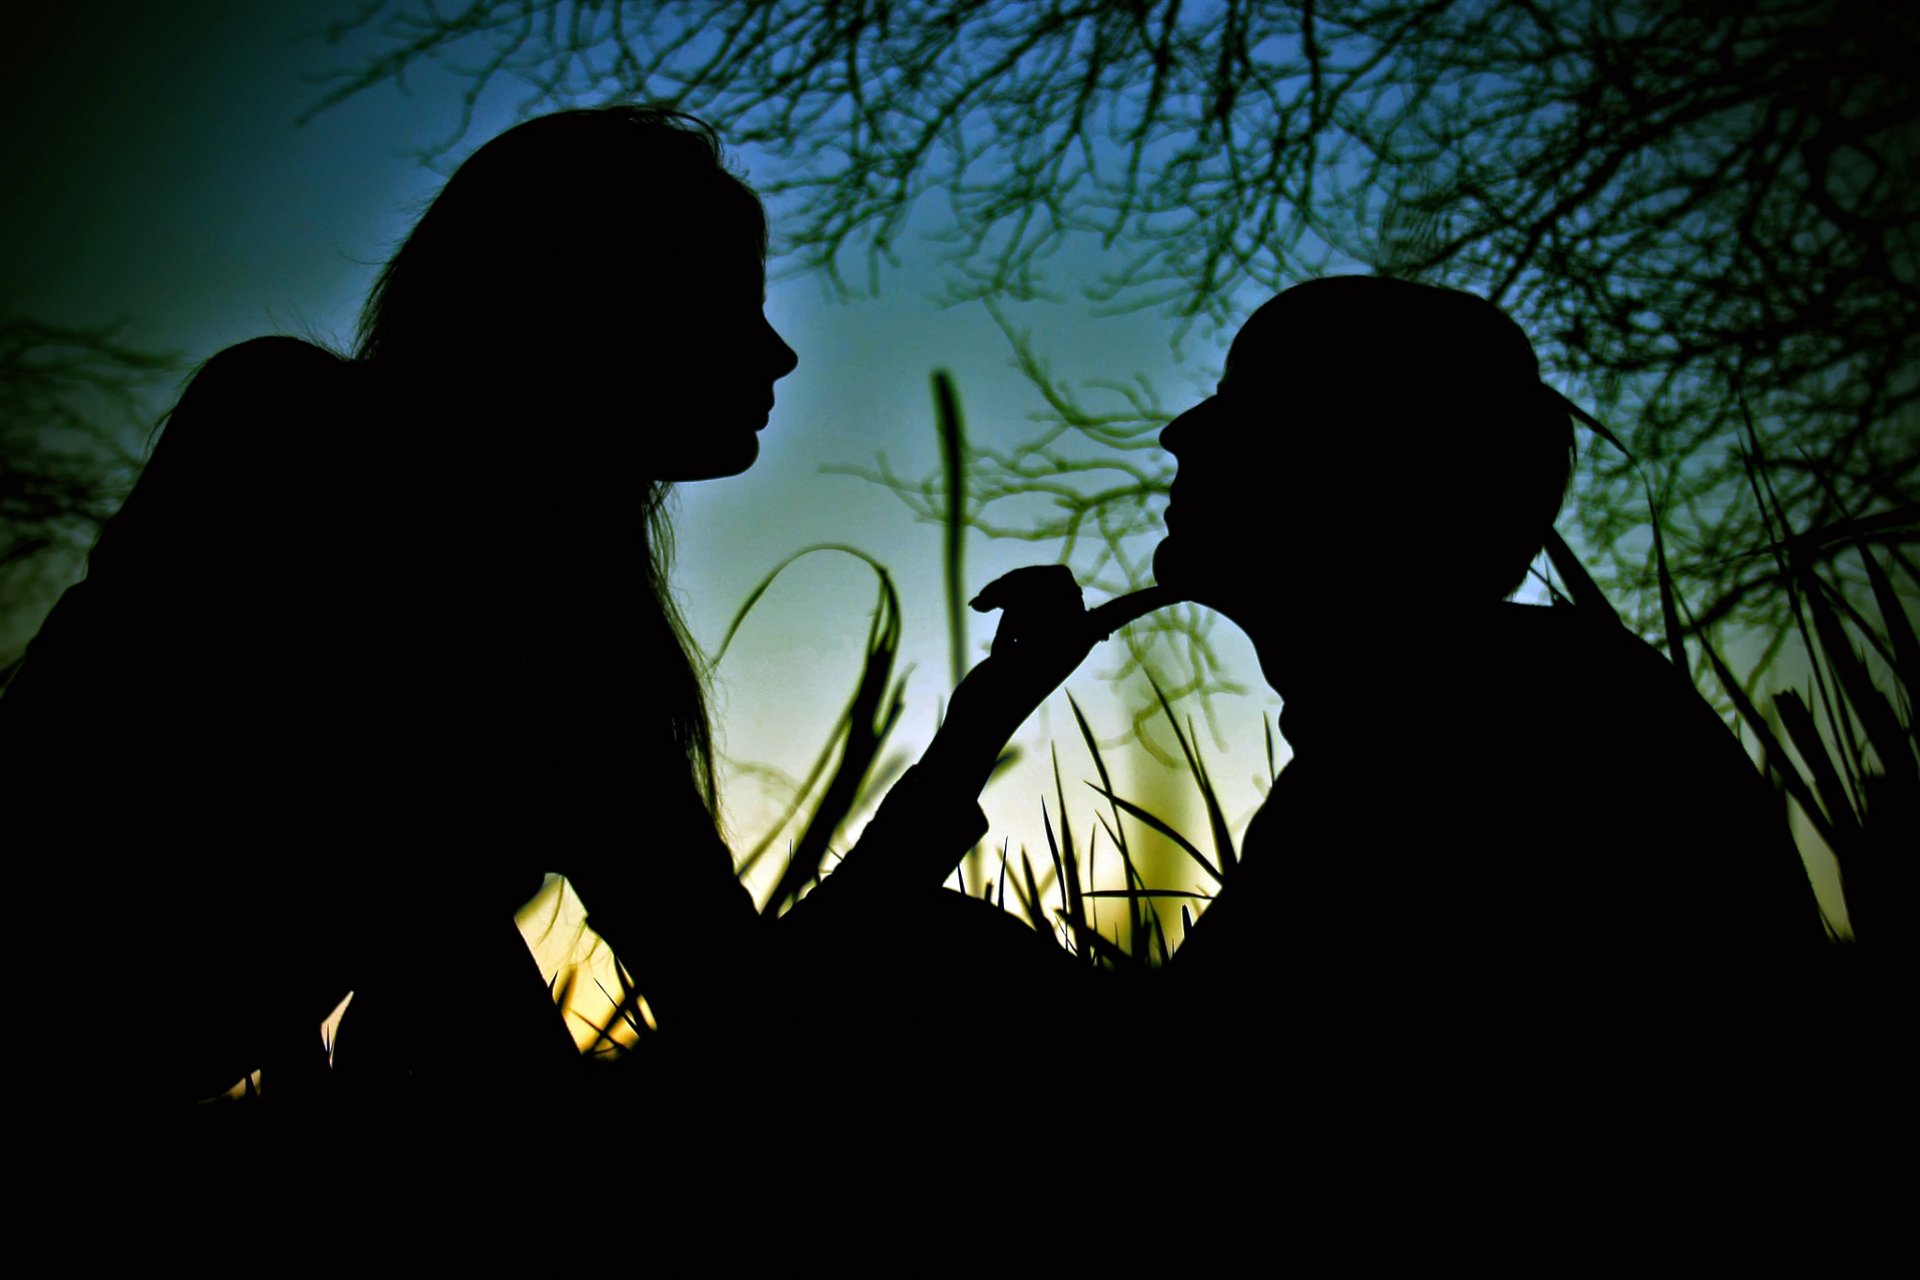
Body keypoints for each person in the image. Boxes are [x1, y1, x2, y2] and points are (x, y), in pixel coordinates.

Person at [0, 107, 1098, 1163]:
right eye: (729, 303)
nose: (778, 355)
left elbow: (734, 994)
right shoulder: (288, 434)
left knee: (942, 954)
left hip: (127, 1073)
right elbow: (393, 871)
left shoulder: (583, 632)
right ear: (594, 305)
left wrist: (980, 726)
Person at [1131, 276, 1829, 1098]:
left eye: (1249, 401)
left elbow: (1162, 1082)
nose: (1181, 433)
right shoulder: (1477, 701)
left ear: (1368, 463)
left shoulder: (1485, 730)